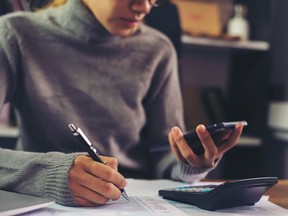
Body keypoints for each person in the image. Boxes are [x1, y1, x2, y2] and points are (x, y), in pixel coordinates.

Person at [0, 0, 244, 207]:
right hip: (47, 203)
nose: (144, 8)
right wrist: (50, 174)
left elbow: (163, 153)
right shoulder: (15, 34)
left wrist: (190, 162)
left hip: (134, 199)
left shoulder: (158, 50)